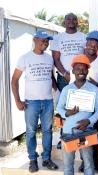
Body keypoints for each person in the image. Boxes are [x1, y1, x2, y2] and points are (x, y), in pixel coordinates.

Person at [11, 30, 58, 173]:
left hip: (48, 101)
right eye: (43, 40)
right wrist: (18, 100)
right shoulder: (25, 58)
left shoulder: (49, 59)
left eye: (47, 40)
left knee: (47, 131)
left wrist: (59, 92)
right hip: (31, 102)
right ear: (35, 40)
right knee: (31, 131)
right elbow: (14, 80)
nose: (46, 43)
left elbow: (51, 78)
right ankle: (32, 159)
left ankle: (46, 158)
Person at [57, 55, 98, 175]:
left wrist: (89, 121)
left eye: (84, 69)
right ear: (73, 71)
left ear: (87, 71)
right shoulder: (67, 89)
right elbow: (59, 108)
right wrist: (67, 113)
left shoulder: (94, 89)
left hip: (86, 131)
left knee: (88, 164)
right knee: (68, 166)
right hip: (68, 132)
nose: (81, 71)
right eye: (78, 69)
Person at [51, 13, 86, 91]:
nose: (71, 21)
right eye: (68, 19)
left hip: (80, 76)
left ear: (77, 22)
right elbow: (55, 59)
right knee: (64, 102)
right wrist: (65, 74)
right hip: (63, 77)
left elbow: (87, 57)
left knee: (80, 100)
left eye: (74, 19)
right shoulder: (57, 38)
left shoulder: (84, 37)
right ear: (64, 22)